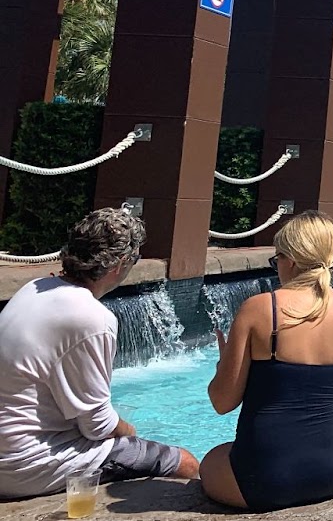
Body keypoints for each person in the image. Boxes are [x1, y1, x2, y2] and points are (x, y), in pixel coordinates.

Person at [0, 208, 200, 498]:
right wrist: (128, 430)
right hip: (25, 466)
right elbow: (97, 426)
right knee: (185, 463)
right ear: (119, 264)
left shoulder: (34, 288)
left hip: (10, 449)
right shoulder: (92, 317)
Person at [202, 211, 333, 510]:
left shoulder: (259, 308)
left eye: (276, 258)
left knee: (210, 461)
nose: (277, 266)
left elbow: (222, 402)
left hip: (263, 480)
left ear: (290, 260)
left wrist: (222, 365)